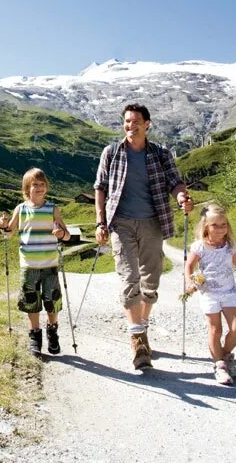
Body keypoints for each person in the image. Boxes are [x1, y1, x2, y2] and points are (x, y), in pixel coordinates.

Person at [94, 103, 193, 369]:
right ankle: (137, 339)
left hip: (153, 222)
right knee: (129, 278)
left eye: (136, 121)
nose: (131, 125)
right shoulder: (112, 152)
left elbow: (175, 181)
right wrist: (100, 222)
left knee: (151, 281)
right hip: (121, 223)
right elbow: (100, 188)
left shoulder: (161, 153)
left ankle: (142, 325)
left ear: (147, 124)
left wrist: (182, 196)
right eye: (127, 121)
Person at [183, 202, 236, 385]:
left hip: (228, 291)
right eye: (214, 225)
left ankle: (225, 354)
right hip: (208, 292)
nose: (219, 229)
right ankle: (219, 365)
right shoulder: (200, 247)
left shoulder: (229, 245)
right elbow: (189, 265)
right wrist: (190, 282)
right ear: (205, 227)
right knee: (215, 329)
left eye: (223, 225)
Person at [0, 168, 71, 355]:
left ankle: (52, 331)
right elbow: (9, 233)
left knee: (52, 300)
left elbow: (67, 235)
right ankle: (35, 336)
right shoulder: (20, 209)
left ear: (46, 187)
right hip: (29, 265)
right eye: (34, 185)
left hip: (50, 265)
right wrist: (3, 226)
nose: (39, 188)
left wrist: (61, 233)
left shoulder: (52, 209)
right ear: (26, 189)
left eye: (42, 184)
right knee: (32, 301)